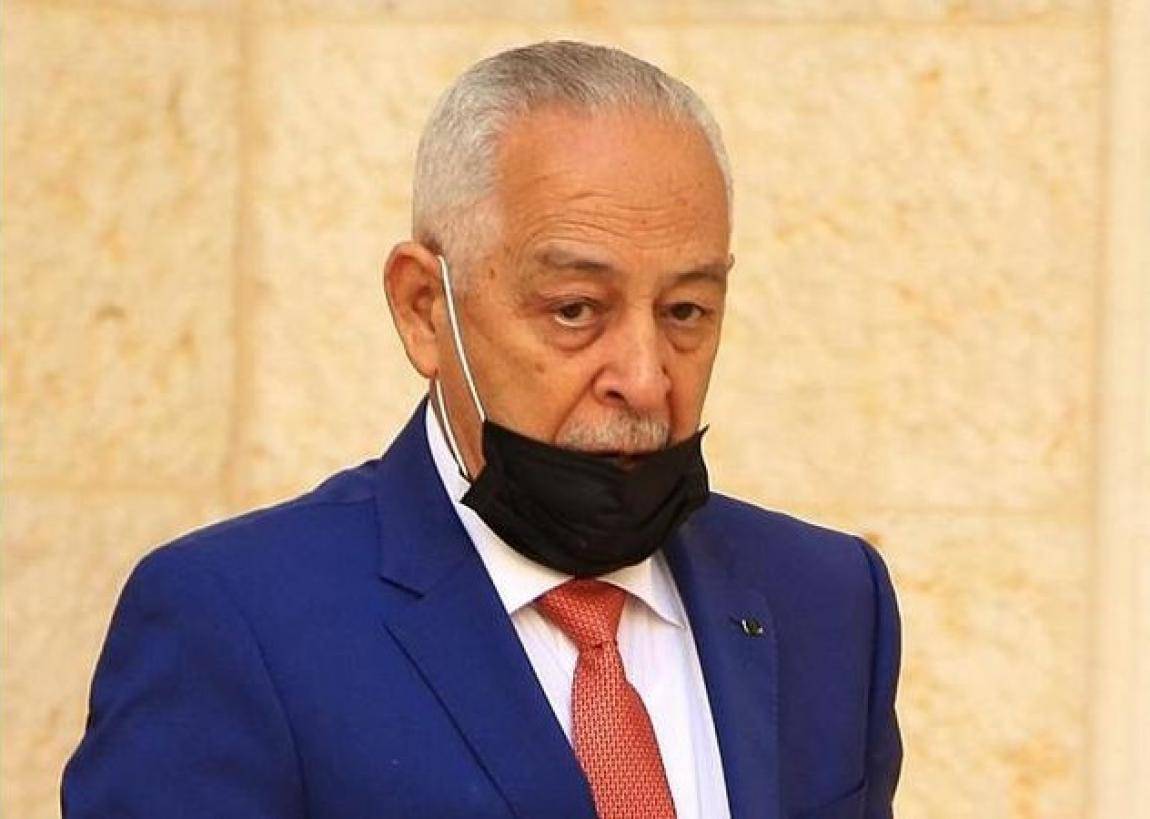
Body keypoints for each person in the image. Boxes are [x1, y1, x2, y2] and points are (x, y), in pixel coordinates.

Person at [62, 40, 901, 819]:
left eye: (686, 311)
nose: (645, 377)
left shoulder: (828, 601)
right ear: (424, 309)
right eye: (576, 310)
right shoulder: (236, 623)